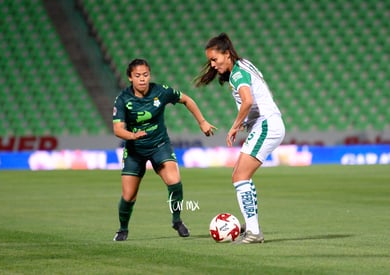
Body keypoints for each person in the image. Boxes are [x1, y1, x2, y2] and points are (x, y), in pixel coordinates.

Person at [195, 33, 285, 244]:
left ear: (227, 54)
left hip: (266, 125)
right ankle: (251, 227)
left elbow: (247, 101)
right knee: (240, 175)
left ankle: (254, 231)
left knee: (240, 176)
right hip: (267, 123)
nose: (212, 64)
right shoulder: (244, 65)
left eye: (214, 59)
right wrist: (245, 123)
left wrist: (234, 126)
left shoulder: (237, 74)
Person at [112, 58, 216, 241]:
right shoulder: (122, 99)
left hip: (160, 145)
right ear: (130, 78)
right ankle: (122, 229)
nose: (142, 79)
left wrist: (202, 122)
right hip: (135, 150)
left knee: (175, 181)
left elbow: (187, 100)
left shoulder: (161, 91)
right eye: (137, 76)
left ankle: (177, 220)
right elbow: (118, 129)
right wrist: (132, 136)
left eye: (145, 75)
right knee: (128, 196)